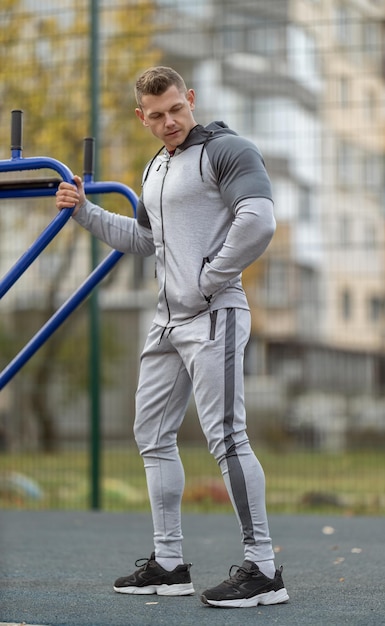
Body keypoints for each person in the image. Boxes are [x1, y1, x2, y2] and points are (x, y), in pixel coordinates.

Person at [55, 66, 289, 609]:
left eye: (176, 110)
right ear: (143, 117)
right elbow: (142, 241)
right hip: (166, 323)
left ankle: (264, 571)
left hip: (213, 314)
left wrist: (209, 278)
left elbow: (258, 222)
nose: (168, 122)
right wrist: (84, 212)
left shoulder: (227, 151)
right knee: (151, 435)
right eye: (156, 116)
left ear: (191, 99)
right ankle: (168, 564)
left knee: (227, 437)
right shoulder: (155, 168)